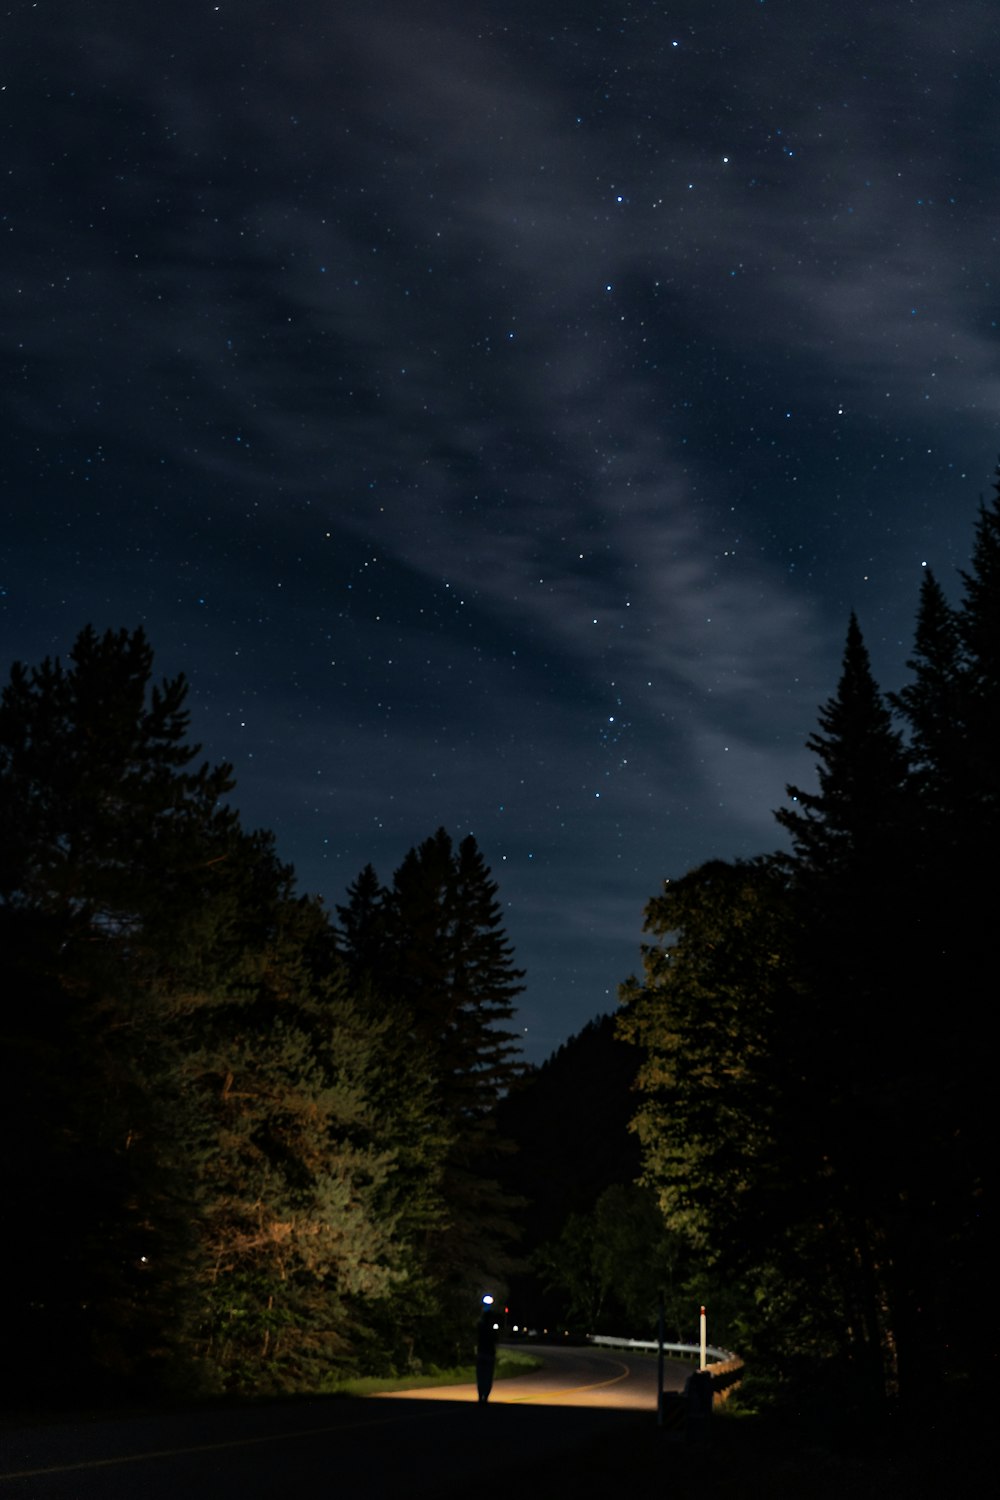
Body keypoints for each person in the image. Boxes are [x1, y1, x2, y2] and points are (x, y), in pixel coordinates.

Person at [475, 1299, 499, 1403]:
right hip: (488, 1354)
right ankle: (484, 1396)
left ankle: (481, 1396)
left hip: (482, 1354)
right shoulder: (491, 1328)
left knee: (481, 1376)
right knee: (487, 1376)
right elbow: (496, 1339)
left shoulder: (480, 1326)